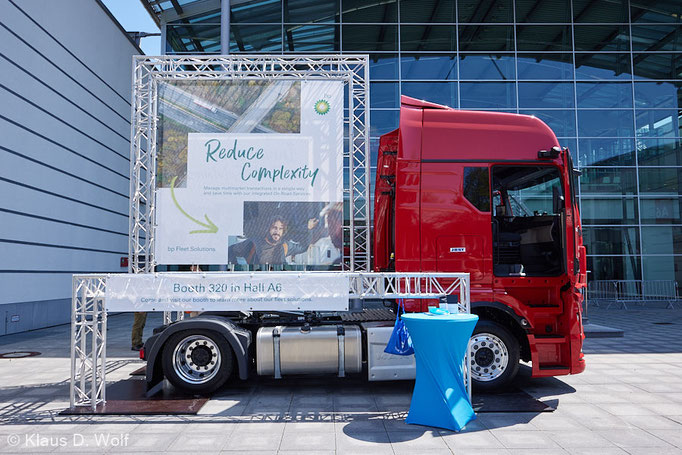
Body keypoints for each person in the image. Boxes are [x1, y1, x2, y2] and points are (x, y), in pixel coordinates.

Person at [229, 214, 317, 265]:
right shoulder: (254, 243)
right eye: (274, 228)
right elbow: (231, 250)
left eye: (280, 229)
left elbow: (304, 247)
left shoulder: (285, 245)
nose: (277, 232)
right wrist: (238, 268)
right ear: (268, 228)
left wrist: (309, 229)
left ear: (283, 231)